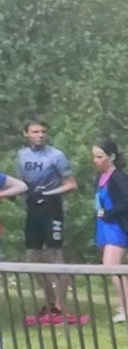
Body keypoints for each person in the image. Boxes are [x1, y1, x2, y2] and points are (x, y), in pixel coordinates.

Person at [8, 121, 77, 322]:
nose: (40, 135)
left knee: (55, 255)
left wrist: (50, 193)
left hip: (52, 209)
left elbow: (71, 185)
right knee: (32, 258)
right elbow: (21, 182)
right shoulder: (22, 155)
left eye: (43, 132)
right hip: (33, 210)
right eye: (35, 132)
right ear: (26, 134)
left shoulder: (56, 155)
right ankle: (49, 302)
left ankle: (61, 305)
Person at [91, 142, 128, 320]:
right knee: (111, 267)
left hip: (117, 226)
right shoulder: (100, 177)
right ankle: (124, 307)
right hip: (105, 226)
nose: (96, 161)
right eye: (95, 157)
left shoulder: (119, 178)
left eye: (100, 157)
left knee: (112, 266)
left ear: (111, 157)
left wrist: (109, 213)